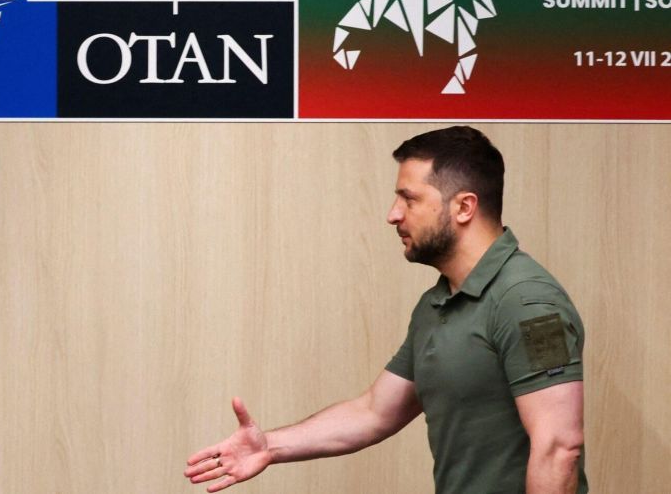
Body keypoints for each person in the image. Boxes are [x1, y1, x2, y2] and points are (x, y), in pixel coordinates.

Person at [184, 126, 587, 493]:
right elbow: (374, 412)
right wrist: (269, 446)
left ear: (464, 207)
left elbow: (559, 448)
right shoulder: (438, 302)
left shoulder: (528, 301)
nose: (393, 214)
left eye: (409, 199)